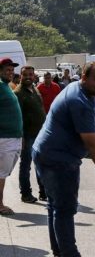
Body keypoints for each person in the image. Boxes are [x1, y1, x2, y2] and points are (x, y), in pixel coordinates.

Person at [32, 62, 95, 257]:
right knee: (64, 209)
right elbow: (92, 143)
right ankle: (69, 253)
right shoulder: (79, 100)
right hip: (59, 159)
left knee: (55, 206)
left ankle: (59, 251)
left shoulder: (80, 90)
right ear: (84, 77)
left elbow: (92, 122)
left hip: (46, 152)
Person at [14, 66, 47, 203]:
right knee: (26, 165)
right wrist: (21, 136)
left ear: (34, 76)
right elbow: (18, 116)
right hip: (27, 135)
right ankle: (26, 194)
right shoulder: (18, 93)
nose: (28, 77)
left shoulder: (34, 89)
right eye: (25, 74)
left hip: (40, 134)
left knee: (41, 164)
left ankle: (43, 192)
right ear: (21, 76)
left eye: (31, 74)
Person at [0, 58, 23, 215]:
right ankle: (0, 204)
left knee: (4, 173)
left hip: (13, 138)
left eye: (11, 70)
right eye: (7, 70)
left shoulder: (6, 86)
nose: (10, 72)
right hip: (4, 138)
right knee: (1, 174)